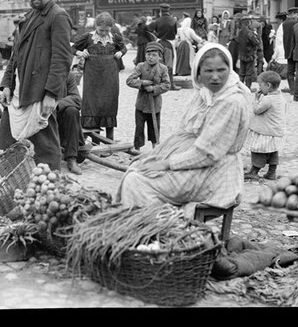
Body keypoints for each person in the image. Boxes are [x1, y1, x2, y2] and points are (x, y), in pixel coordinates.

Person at [115, 43, 252, 219]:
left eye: (221, 70)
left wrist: (165, 163)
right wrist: (158, 154)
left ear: (230, 69)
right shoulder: (206, 93)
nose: (216, 77)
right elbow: (183, 132)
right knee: (137, 167)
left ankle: (154, 229)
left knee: (138, 181)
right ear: (198, 73)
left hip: (213, 172)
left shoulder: (230, 102)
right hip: (196, 162)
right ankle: (152, 225)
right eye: (209, 71)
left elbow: (208, 153)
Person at [0, 0, 73, 171]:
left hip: (40, 92)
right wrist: (6, 84)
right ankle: (11, 181)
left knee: (45, 145)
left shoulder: (58, 16)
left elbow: (62, 59)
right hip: (19, 91)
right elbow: (15, 55)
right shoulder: (29, 17)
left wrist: (51, 94)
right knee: (7, 139)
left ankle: (50, 187)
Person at [73, 12, 127, 141]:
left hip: (110, 74)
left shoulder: (115, 37)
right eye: (101, 30)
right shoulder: (88, 37)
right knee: (92, 102)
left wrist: (120, 52)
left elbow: (124, 48)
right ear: (96, 26)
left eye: (106, 30)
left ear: (111, 28)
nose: (103, 33)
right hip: (92, 74)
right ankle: (95, 138)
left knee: (110, 101)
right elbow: (73, 48)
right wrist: (81, 52)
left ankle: (109, 138)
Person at [126, 41, 171, 153]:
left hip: (155, 105)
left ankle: (155, 148)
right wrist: (142, 83)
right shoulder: (140, 66)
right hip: (141, 104)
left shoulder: (163, 69)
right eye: (148, 54)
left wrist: (154, 89)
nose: (150, 57)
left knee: (154, 127)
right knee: (139, 128)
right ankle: (137, 149)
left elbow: (167, 85)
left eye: (154, 55)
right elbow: (129, 81)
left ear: (160, 57)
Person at [243, 70, 287, 181]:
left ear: (268, 85)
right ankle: (271, 172)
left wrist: (256, 99)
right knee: (273, 152)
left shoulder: (267, 99)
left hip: (265, 131)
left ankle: (254, 171)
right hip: (276, 131)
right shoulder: (281, 98)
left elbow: (257, 110)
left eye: (260, 85)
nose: (259, 88)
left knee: (259, 150)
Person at [57, 71, 89, 175]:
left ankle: (71, 158)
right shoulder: (40, 74)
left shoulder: (67, 75)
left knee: (72, 110)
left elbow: (77, 99)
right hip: (42, 121)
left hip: (61, 124)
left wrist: (56, 105)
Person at [147, 3, 180, 90]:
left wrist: (155, 35)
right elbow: (175, 32)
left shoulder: (157, 21)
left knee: (159, 64)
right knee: (169, 65)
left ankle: (159, 84)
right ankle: (171, 84)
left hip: (159, 43)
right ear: (168, 11)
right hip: (169, 44)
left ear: (161, 11)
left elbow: (148, 29)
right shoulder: (173, 21)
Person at [235, 14, 260, 89]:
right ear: (247, 22)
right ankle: (247, 87)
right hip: (249, 54)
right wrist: (256, 35)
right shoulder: (249, 32)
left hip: (242, 54)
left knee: (242, 72)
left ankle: (240, 87)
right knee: (249, 73)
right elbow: (256, 42)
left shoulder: (239, 32)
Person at [281, 6, 298, 94]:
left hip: (288, 49)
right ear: (292, 14)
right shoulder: (296, 23)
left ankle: (292, 89)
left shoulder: (284, 23)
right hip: (296, 49)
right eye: (296, 14)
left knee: (290, 70)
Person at [267, 12, 289, 83]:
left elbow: (281, 39)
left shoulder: (282, 26)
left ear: (281, 19)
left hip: (281, 48)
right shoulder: (284, 26)